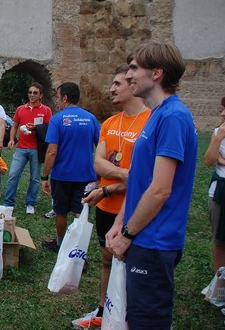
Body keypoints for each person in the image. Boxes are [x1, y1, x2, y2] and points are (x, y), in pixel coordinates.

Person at [106, 41, 197, 329]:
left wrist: (128, 233)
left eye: (134, 68)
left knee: (147, 322)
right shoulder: (157, 114)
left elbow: (160, 189)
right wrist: (120, 220)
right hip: (142, 235)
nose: (129, 74)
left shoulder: (173, 117)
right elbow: (140, 178)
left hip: (154, 241)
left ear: (156, 73)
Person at [71, 64, 150, 329]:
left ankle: (128, 315)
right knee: (107, 260)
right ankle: (104, 310)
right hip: (105, 206)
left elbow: (148, 179)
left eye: (118, 84)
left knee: (130, 264)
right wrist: (125, 176)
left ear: (133, 85)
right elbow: (99, 164)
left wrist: (109, 185)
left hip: (132, 209)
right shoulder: (110, 123)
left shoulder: (150, 121)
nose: (111, 89)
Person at [41, 82, 99, 252]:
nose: (57, 101)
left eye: (58, 98)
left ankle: (61, 245)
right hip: (85, 176)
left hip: (62, 175)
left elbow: (52, 151)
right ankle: (79, 250)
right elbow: (100, 145)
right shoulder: (91, 118)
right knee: (80, 212)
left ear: (65, 98)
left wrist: (45, 176)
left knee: (61, 211)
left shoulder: (57, 119)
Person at [3, 82, 52, 214]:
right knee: (13, 175)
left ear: (41, 95)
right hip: (22, 148)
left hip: (37, 148)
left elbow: (49, 129)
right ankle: (8, 202)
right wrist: (12, 139)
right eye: (30, 92)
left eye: (35, 93)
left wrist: (36, 128)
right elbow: (15, 125)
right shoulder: (21, 109)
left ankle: (31, 203)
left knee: (35, 178)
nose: (32, 95)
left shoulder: (46, 110)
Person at [204, 96, 225, 274]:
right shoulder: (219, 132)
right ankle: (218, 281)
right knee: (219, 239)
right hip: (219, 189)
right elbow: (209, 160)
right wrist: (218, 139)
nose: (222, 113)